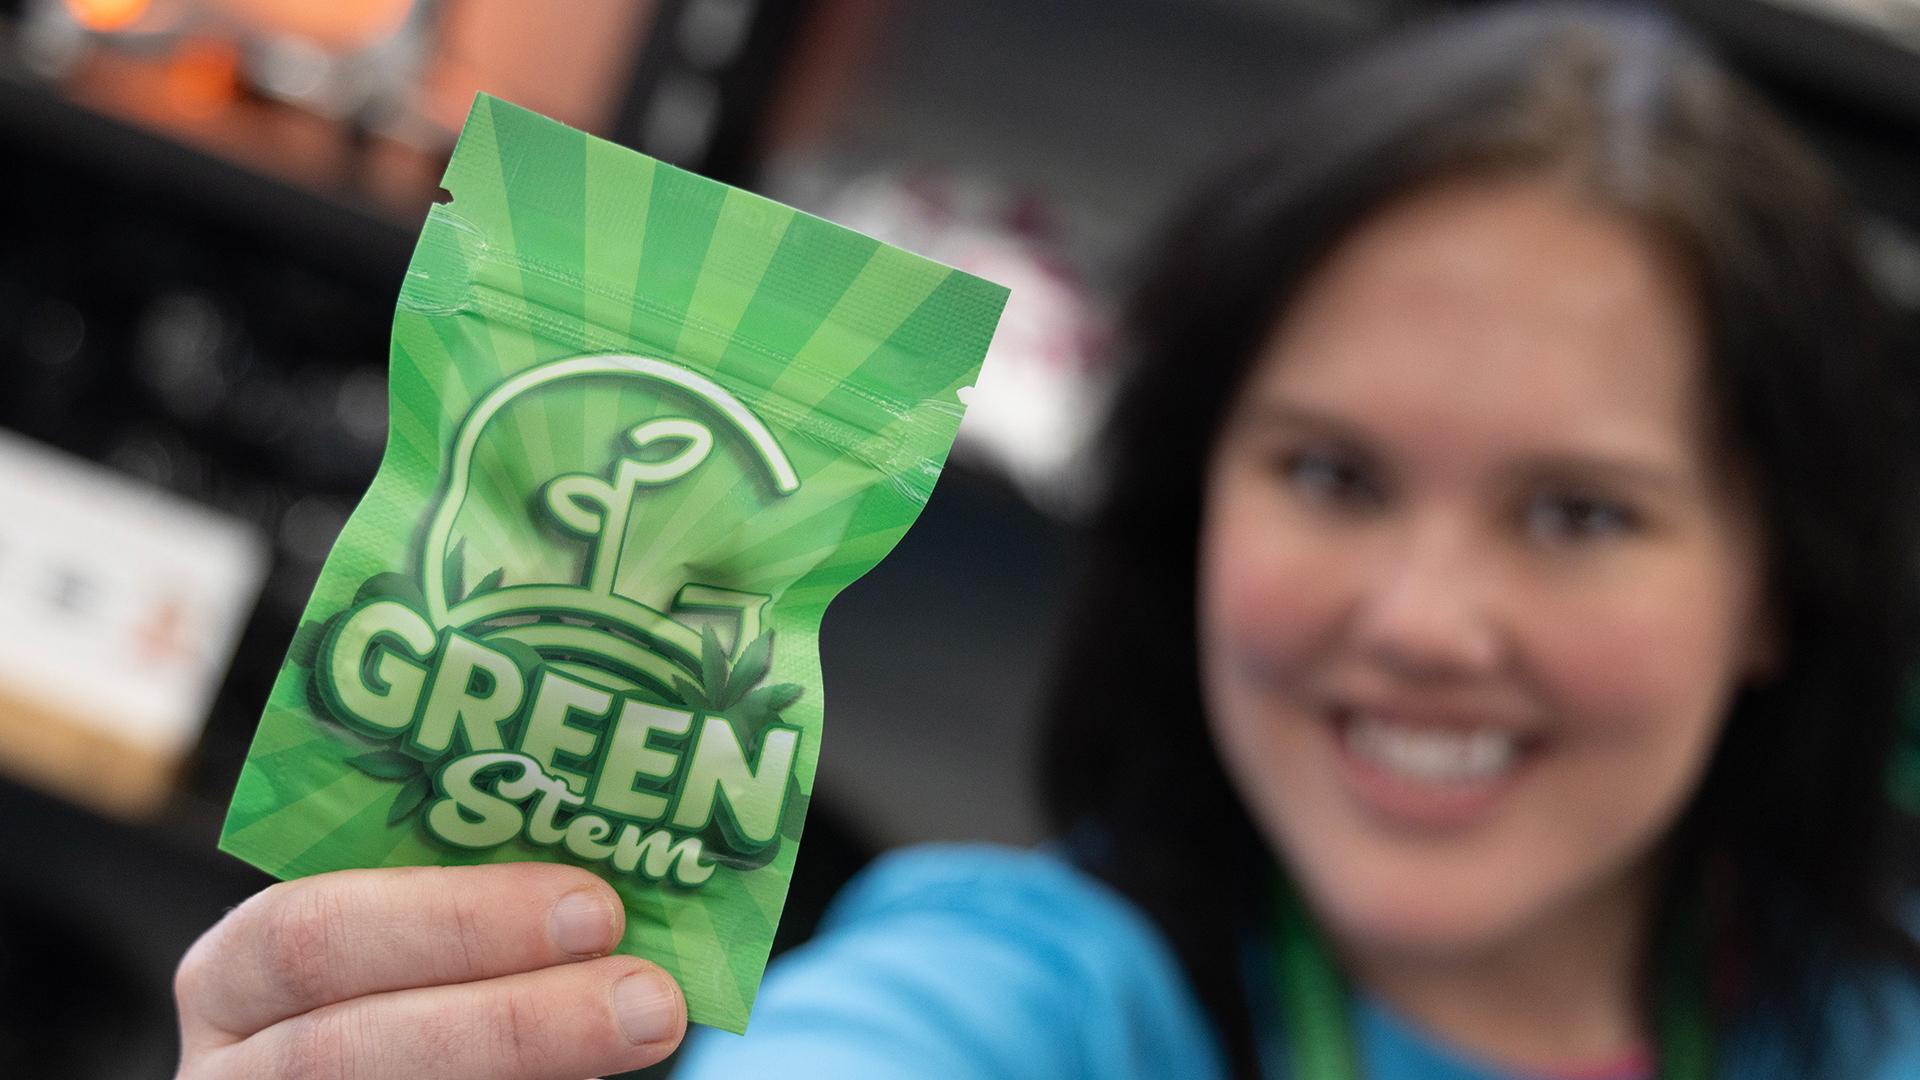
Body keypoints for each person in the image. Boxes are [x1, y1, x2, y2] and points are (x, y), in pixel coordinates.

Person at [171, 4, 1920, 1078]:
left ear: (1776, 581)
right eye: (1331, 475)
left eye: (1579, 512)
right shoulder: (1023, 998)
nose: (1425, 617)